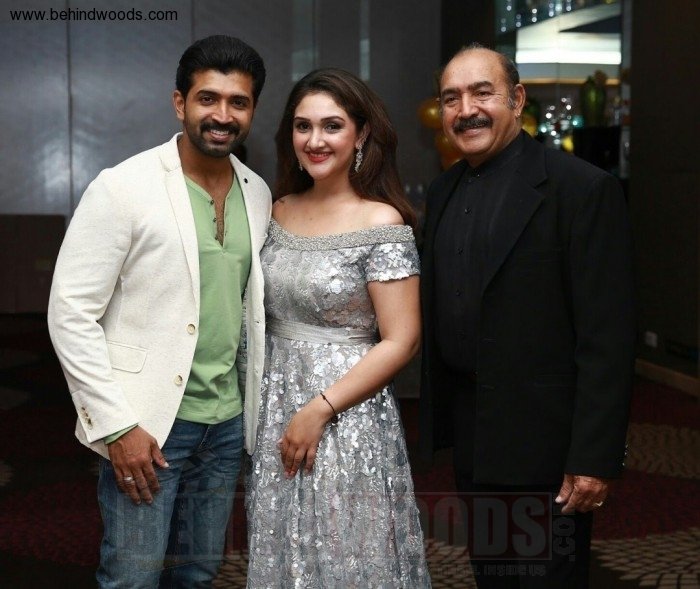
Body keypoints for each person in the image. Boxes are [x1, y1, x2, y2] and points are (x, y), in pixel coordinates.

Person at [47, 35, 271, 587]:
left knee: (198, 574)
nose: (222, 115)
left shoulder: (258, 193)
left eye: (238, 102)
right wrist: (117, 426)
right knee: (134, 577)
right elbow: (70, 313)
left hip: (225, 426)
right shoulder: (123, 187)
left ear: (252, 110)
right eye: (207, 98)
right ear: (179, 103)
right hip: (147, 425)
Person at [419, 44, 635, 588]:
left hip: (549, 449)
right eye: (451, 98)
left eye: (482, 93)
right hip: (474, 438)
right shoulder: (442, 192)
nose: (466, 110)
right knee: (493, 576)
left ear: (516, 100)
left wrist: (594, 457)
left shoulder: (581, 189)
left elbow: (608, 338)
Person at [245, 68, 431, 588]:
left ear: (361, 133)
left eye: (332, 126)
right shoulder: (276, 210)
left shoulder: (382, 223)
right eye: (303, 126)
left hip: (346, 413)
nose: (315, 140)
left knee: (346, 550)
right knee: (285, 550)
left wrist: (319, 409)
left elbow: (403, 340)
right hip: (275, 409)